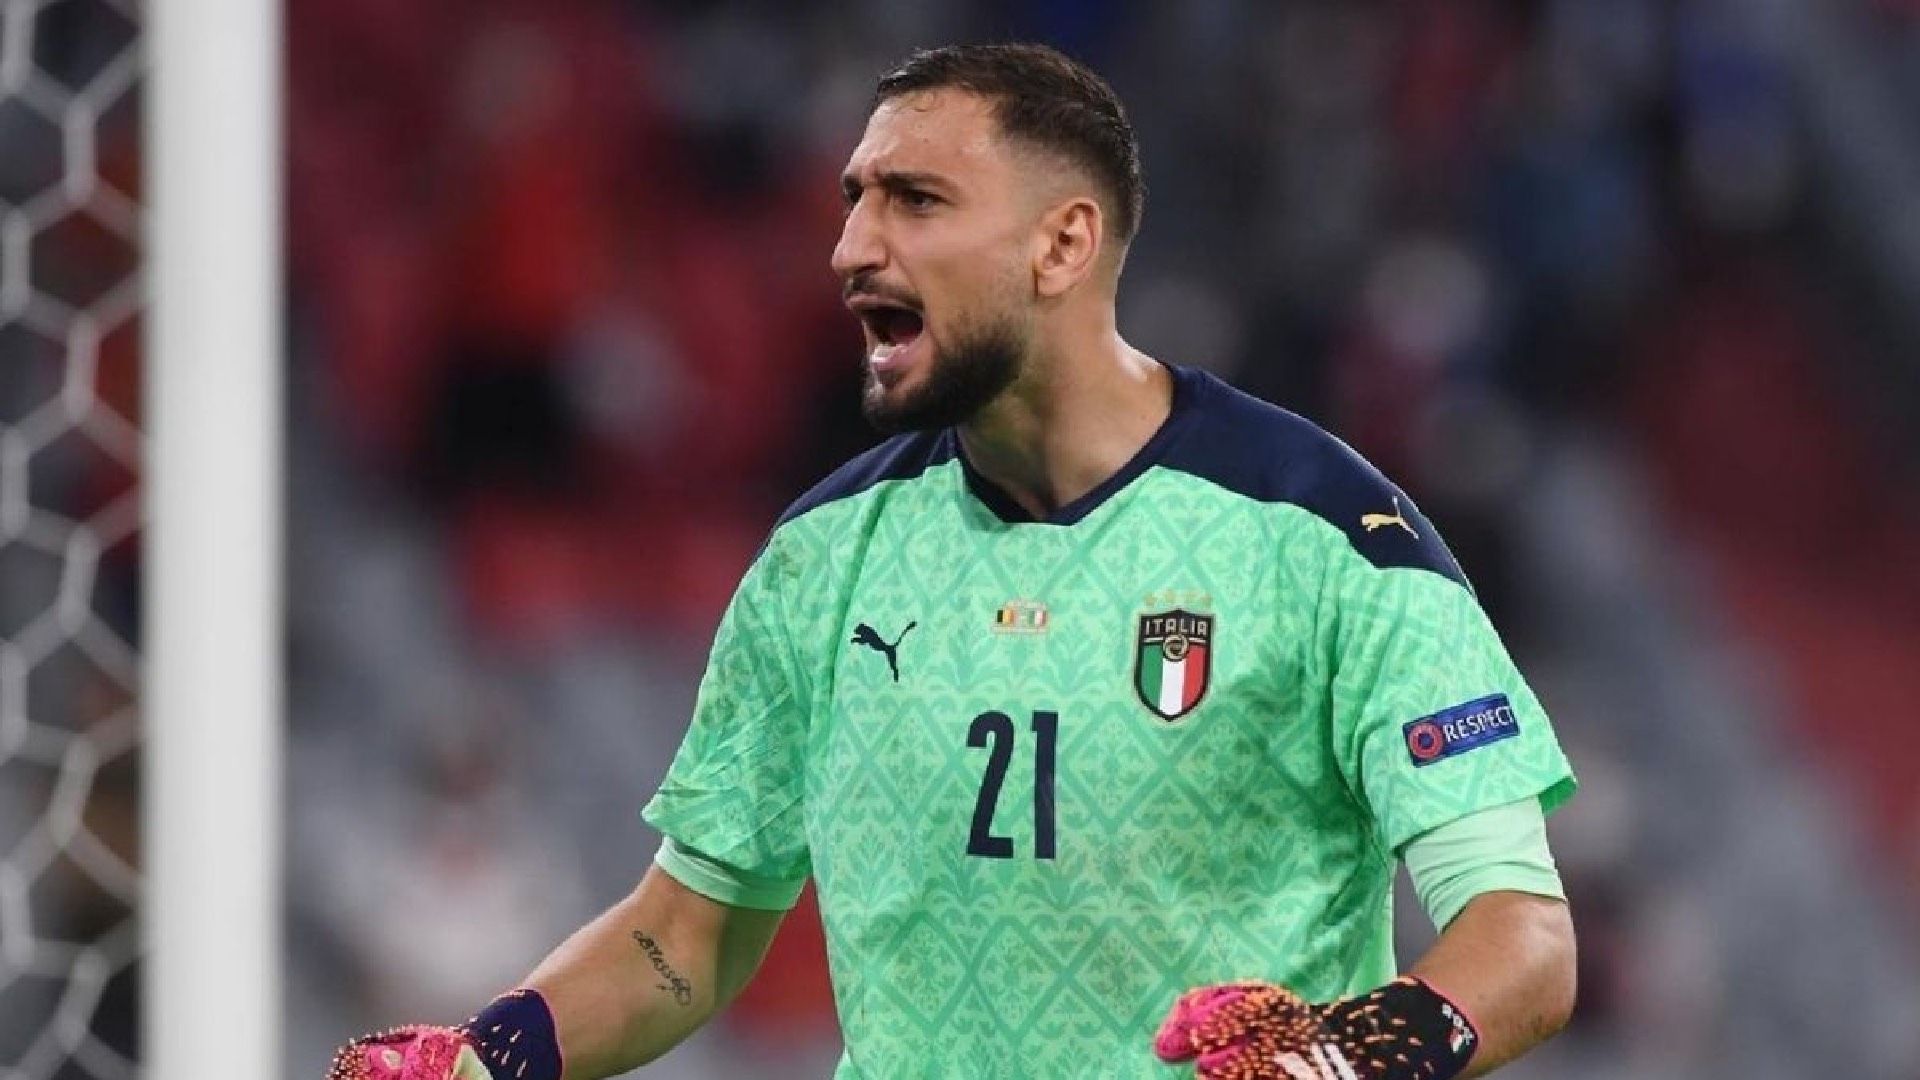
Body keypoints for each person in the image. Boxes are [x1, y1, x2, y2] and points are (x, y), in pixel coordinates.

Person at [330, 42, 1577, 1080]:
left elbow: (1523, 937)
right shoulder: (824, 561)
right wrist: (489, 1056)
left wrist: (1345, 1054)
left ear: (1062, 244)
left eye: (915, 201)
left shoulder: (1325, 537)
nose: (851, 248)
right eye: (853, 201)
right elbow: (682, 940)